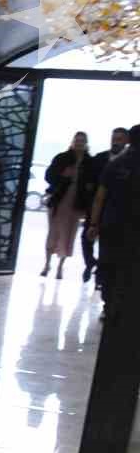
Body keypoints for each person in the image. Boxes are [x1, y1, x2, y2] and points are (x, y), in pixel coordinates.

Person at [91, 123, 140, 319]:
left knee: (108, 264)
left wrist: (94, 224)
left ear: (129, 140)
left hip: (111, 223)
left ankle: (108, 304)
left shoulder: (115, 164)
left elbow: (100, 197)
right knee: (131, 266)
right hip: (135, 227)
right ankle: (126, 307)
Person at [42, 131, 97, 279]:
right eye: (77, 140)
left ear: (86, 143)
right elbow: (49, 176)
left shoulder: (89, 162)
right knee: (53, 232)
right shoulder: (62, 158)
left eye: (82, 141)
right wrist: (62, 176)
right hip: (59, 200)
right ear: (73, 141)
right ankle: (47, 264)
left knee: (69, 234)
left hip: (76, 203)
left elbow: (93, 182)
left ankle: (60, 266)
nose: (79, 143)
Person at [86, 126, 130, 284]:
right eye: (114, 139)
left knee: (109, 247)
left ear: (127, 141)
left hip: (117, 213)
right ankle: (92, 265)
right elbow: (92, 184)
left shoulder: (126, 162)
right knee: (88, 240)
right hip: (99, 208)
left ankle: (103, 276)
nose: (115, 142)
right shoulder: (101, 158)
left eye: (119, 139)